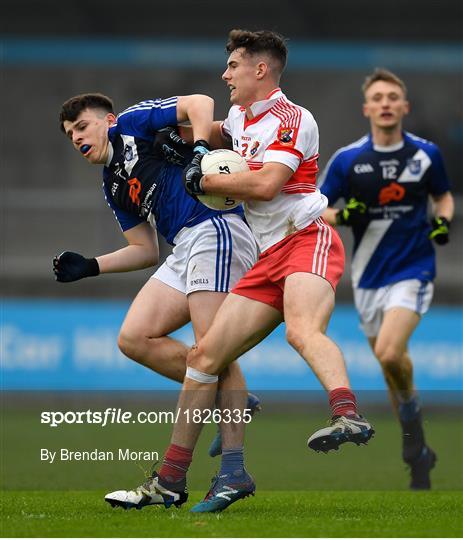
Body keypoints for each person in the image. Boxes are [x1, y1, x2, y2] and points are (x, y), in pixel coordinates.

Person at [137, 29, 374, 514]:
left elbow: (266, 185)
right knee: (204, 358)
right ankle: (193, 476)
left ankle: (346, 415)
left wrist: (204, 176)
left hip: (307, 238)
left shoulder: (293, 117)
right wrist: (167, 136)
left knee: (302, 331)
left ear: (259, 70)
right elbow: (213, 128)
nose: (225, 75)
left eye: (233, 66)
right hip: (267, 256)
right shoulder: (243, 117)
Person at [55, 92, 260, 509]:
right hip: (183, 245)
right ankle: (230, 397)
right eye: (69, 135)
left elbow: (200, 102)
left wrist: (200, 146)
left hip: (213, 227)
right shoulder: (112, 183)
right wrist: (92, 266)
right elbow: (144, 250)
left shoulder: (132, 123)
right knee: (134, 338)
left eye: (82, 127)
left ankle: (230, 471)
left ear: (108, 120)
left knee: (211, 352)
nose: (76, 138)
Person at [318, 68, 454, 490]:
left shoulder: (426, 155)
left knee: (393, 355)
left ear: (404, 106)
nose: (386, 103)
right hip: (369, 278)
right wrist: (344, 216)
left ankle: (413, 442)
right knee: (391, 368)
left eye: (393, 97)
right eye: (378, 98)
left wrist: (442, 223)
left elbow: (442, 196)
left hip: (413, 269)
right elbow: (314, 209)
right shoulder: (348, 159)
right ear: (367, 109)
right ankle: (418, 450)